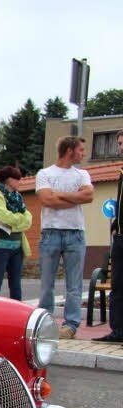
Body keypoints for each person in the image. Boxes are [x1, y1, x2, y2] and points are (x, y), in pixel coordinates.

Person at [35, 136, 95, 339]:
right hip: (50, 232)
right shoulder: (44, 174)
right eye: (81, 150)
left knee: (74, 285)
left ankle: (70, 326)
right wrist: (74, 198)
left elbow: (88, 196)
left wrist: (58, 195)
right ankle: (45, 324)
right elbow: (45, 199)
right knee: (46, 284)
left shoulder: (82, 174)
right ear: (69, 151)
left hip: (75, 234)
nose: (83, 154)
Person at [0, 166, 32, 300]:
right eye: (17, 179)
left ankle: (17, 314)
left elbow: (28, 219)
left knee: (16, 284)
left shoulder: (18, 198)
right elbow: (3, 217)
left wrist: (14, 223)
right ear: (9, 180)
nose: (19, 182)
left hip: (17, 247)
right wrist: (19, 221)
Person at [94, 129, 123, 343]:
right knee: (118, 284)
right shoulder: (122, 172)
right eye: (120, 144)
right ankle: (118, 331)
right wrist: (116, 223)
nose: (121, 147)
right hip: (121, 237)